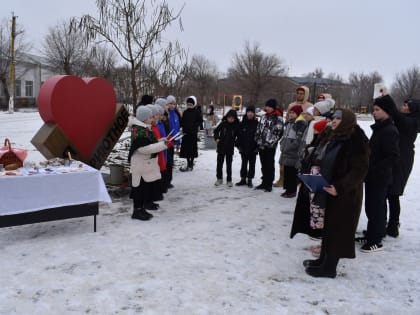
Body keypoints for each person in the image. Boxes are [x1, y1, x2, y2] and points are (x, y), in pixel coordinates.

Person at [302, 109, 370, 278]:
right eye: (333, 117)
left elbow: (359, 169)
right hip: (329, 188)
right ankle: (322, 260)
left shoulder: (356, 139)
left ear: (347, 120)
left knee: (338, 230)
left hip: (345, 193)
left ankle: (329, 268)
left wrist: (340, 187)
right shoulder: (336, 135)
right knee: (329, 227)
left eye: (338, 118)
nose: (333, 120)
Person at [357, 95, 400, 252]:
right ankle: (372, 234)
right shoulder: (380, 128)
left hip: (380, 177)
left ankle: (376, 240)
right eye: (373, 109)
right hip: (372, 175)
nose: (373, 112)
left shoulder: (389, 130)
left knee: (376, 207)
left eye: (377, 110)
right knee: (371, 206)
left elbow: (392, 156)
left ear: (387, 111)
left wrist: (374, 170)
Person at [128, 106, 169, 221]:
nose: (152, 119)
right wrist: (161, 145)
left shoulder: (145, 129)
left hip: (144, 165)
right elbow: (143, 149)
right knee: (138, 189)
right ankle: (136, 211)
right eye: (150, 117)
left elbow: (151, 142)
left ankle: (141, 209)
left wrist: (161, 141)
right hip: (140, 165)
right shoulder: (138, 131)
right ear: (144, 118)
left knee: (144, 188)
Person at [385, 98, 420, 237]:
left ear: (412, 109)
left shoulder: (412, 122)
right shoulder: (404, 119)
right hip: (396, 157)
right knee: (388, 192)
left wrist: (386, 98)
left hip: (402, 160)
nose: (402, 106)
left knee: (393, 193)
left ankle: (393, 225)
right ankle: (386, 224)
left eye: (405, 105)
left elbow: (396, 114)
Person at [274, 86, 312, 187]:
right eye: (298, 93)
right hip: (288, 136)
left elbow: (309, 121)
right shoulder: (291, 104)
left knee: (295, 164)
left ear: (306, 94)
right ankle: (282, 180)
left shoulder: (310, 106)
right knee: (283, 163)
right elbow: (287, 119)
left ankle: (295, 183)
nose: (299, 95)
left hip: (299, 137)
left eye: (302, 93)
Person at [254, 98, 284, 192]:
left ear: (273, 107)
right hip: (261, 145)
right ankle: (264, 182)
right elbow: (259, 129)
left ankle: (269, 184)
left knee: (269, 164)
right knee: (263, 165)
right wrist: (257, 140)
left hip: (270, 146)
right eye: (267, 106)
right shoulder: (264, 117)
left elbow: (278, 133)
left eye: (270, 106)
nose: (268, 108)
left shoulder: (278, 118)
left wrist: (269, 142)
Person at [279, 104, 306, 198]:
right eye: (290, 112)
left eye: (293, 112)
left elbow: (298, 139)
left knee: (292, 172)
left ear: (298, 114)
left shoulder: (300, 124)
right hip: (286, 151)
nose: (291, 114)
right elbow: (285, 135)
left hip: (292, 152)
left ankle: (292, 190)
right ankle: (287, 189)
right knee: (286, 171)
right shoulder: (289, 123)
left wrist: (290, 146)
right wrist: (282, 143)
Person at [213, 109, 240, 187]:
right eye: (229, 117)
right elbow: (216, 131)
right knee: (219, 164)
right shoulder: (223, 124)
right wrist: (217, 138)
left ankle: (229, 179)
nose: (230, 119)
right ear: (227, 117)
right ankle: (219, 178)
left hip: (229, 148)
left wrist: (236, 143)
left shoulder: (236, 126)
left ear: (235, 118)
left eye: (232, 118)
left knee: (229, 165)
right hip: (221, 147)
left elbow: (239, 136)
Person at [235, 105, 259, 188]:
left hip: (253, 148)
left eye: (252, 112)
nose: (250, 114)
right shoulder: (242, 123)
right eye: (249, 112)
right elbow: (238, 135)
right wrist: (238, 145)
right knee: (244, 164)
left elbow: (259, 136)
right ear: (246, 113)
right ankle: (243, 179)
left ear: (254, 113)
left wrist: (257, 148)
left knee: (252, 165)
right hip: (243, 148)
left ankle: (250, 180)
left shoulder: (257, 124)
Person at [180, 96, 202, 171]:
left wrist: (194, 126)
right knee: (186, 149)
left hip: (193, 133)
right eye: (188, 104)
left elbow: (200, 121)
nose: (189, 105)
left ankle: (191, 163)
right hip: (186, 134)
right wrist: (183, 126)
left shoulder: (196, 112)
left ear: (194, 104)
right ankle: (188, 162)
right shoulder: (185, 112)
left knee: (192, 149)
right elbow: (182, 121)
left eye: (191, 104)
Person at [166, 95, 182, 184]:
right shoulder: (166, 114)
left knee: (170, 161)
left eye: (174, 104)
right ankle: (166, 181)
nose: (172, 105)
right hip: (166, 142)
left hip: (172, 142)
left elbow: (177, 128)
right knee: (167, 162)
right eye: (170, 103)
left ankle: (169, 180)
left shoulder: (175, 114)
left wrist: (178, 142)